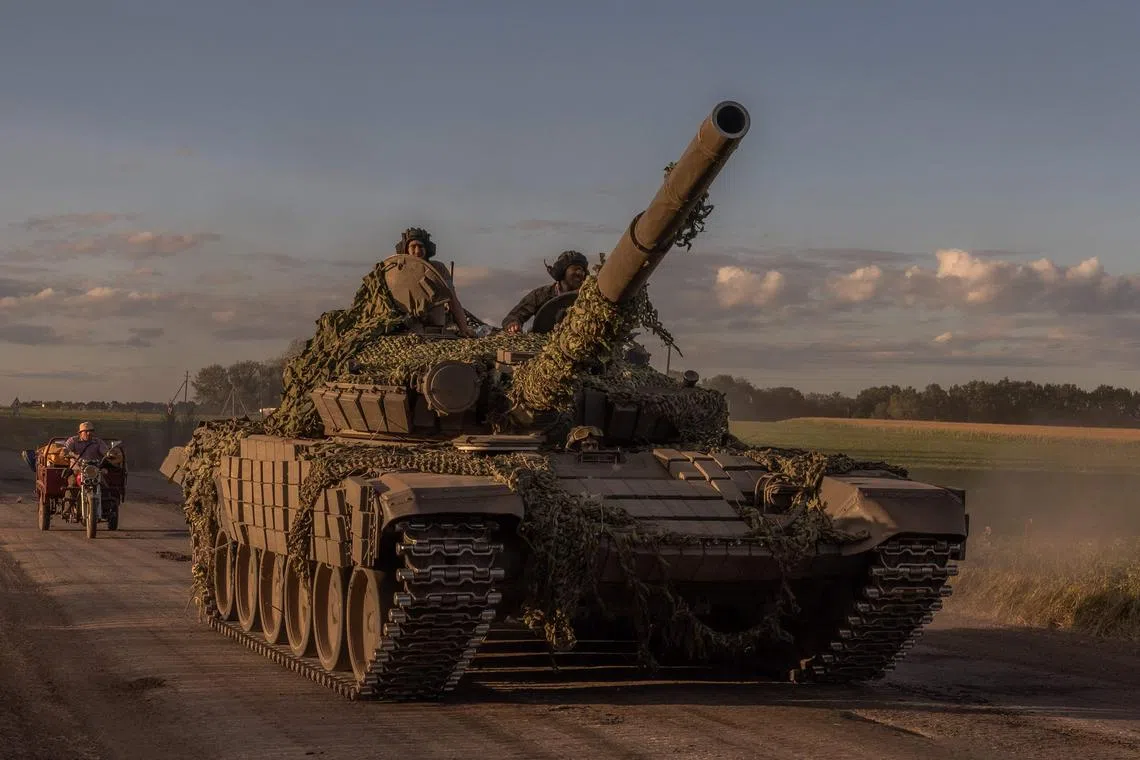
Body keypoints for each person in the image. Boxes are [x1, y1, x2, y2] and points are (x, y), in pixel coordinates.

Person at [394, 227, 476, 338]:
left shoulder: (438, 269)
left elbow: (452, 300)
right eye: (413, 246)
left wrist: (464, 328)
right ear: (406, 249)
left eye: (421, 246)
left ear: (427, 249)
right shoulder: (396, 272)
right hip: (408, 330)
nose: (417, 251)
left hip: (436, 330)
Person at [502, 250, 589, 333]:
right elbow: (516, 315)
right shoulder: (542, 294)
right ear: (562, 271)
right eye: (575, 268)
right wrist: (513, 324)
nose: (580, 273)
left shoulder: (588, 296)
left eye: (582, 270)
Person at [62, 421, 110, 489]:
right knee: (72, 485)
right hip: (77, 470)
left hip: (94, 470)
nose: (89, 433)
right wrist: (65, 452)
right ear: (80, 433)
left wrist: (109, 454)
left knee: (104, 486)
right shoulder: (73, 440)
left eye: (91, 431)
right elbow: (65, 449)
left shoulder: (98, 442)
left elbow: (105, 452)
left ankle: (107, 498)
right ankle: (68, 499)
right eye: (86, 431)